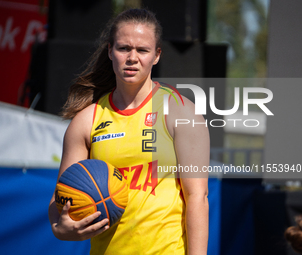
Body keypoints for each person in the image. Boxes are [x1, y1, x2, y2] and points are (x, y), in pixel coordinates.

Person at [48, 8, 210, 255]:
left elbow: (197, 198)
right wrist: (61, 228)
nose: (132, 57)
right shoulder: (86, 121)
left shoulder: (181, 112)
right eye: (124, 48)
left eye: (142, 50)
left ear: (156, 56)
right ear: (110, 50)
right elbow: (60, 198)